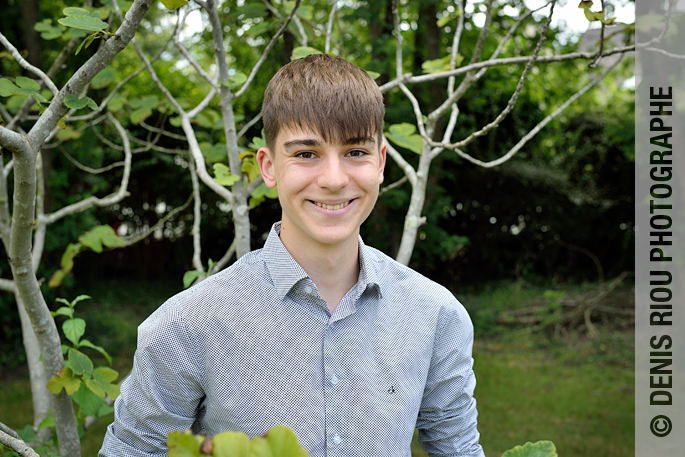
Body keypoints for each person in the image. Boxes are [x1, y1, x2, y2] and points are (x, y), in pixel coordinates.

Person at [100, 54, 485, 457]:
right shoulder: (188, 326)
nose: (334, 179)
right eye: (306, 154)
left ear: (381, 163)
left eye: (355, 152)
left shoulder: (436, 315)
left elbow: (457, 448)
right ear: (268, 167)